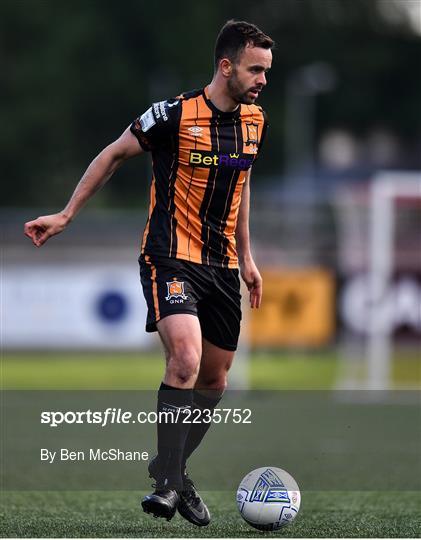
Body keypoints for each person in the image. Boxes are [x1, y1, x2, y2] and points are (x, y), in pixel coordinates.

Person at [24, 19, 274, 527]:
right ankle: (165, 489)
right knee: (185, 355)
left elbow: (241, 182)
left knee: (216, 380)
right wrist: (67, 214)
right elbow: (114, 152)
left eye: (267, 71)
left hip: (223, 264)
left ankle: (172, 466)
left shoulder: (255, 121)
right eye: (255, 69)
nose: (263, 80)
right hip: (169, 255)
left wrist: (247, 258)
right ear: (225, 66)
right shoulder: (174, 114)